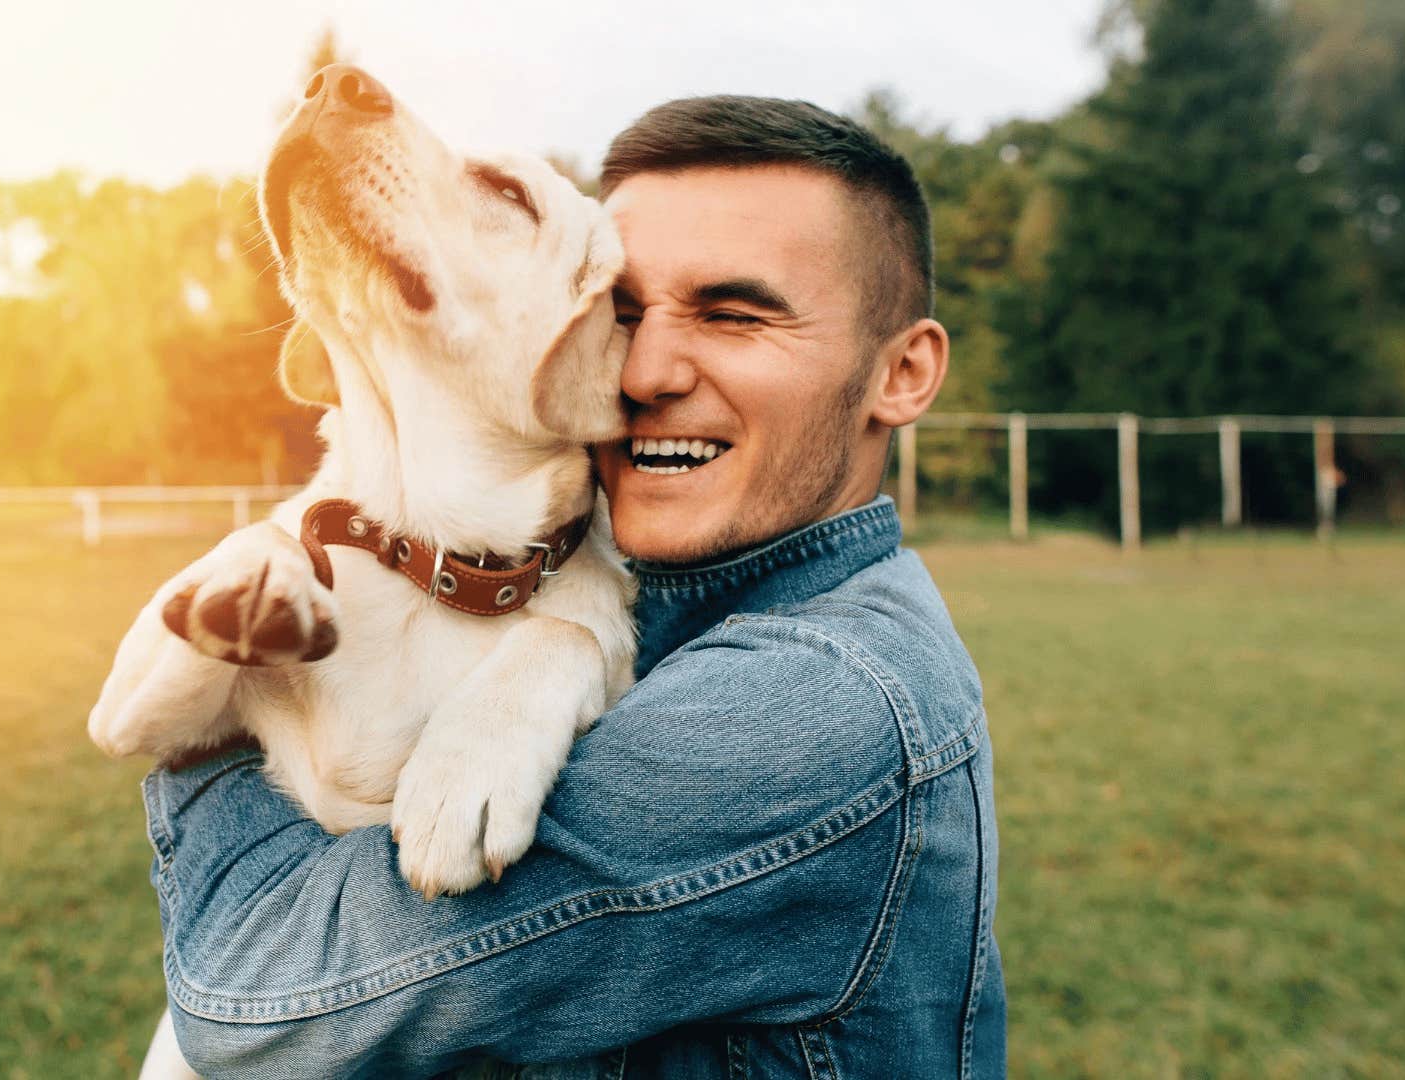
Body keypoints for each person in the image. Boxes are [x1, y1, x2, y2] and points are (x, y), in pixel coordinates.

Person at [137, 96, 1003, 1079]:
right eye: (624, 312)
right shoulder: (647, 603)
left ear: (905, 372)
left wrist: (209, 694)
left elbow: (263, 999)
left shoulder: (813, 703)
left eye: (734, 314)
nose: (642, 371)